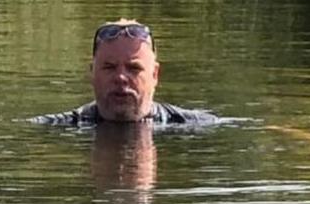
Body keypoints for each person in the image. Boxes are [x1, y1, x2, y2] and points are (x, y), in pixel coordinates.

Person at [32, 19, 219, 126]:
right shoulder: (54, 125)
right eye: (109, 67)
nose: (121, 78)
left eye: (134, 68)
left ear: (155, 75)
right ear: (92, 73)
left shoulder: (197, 124)